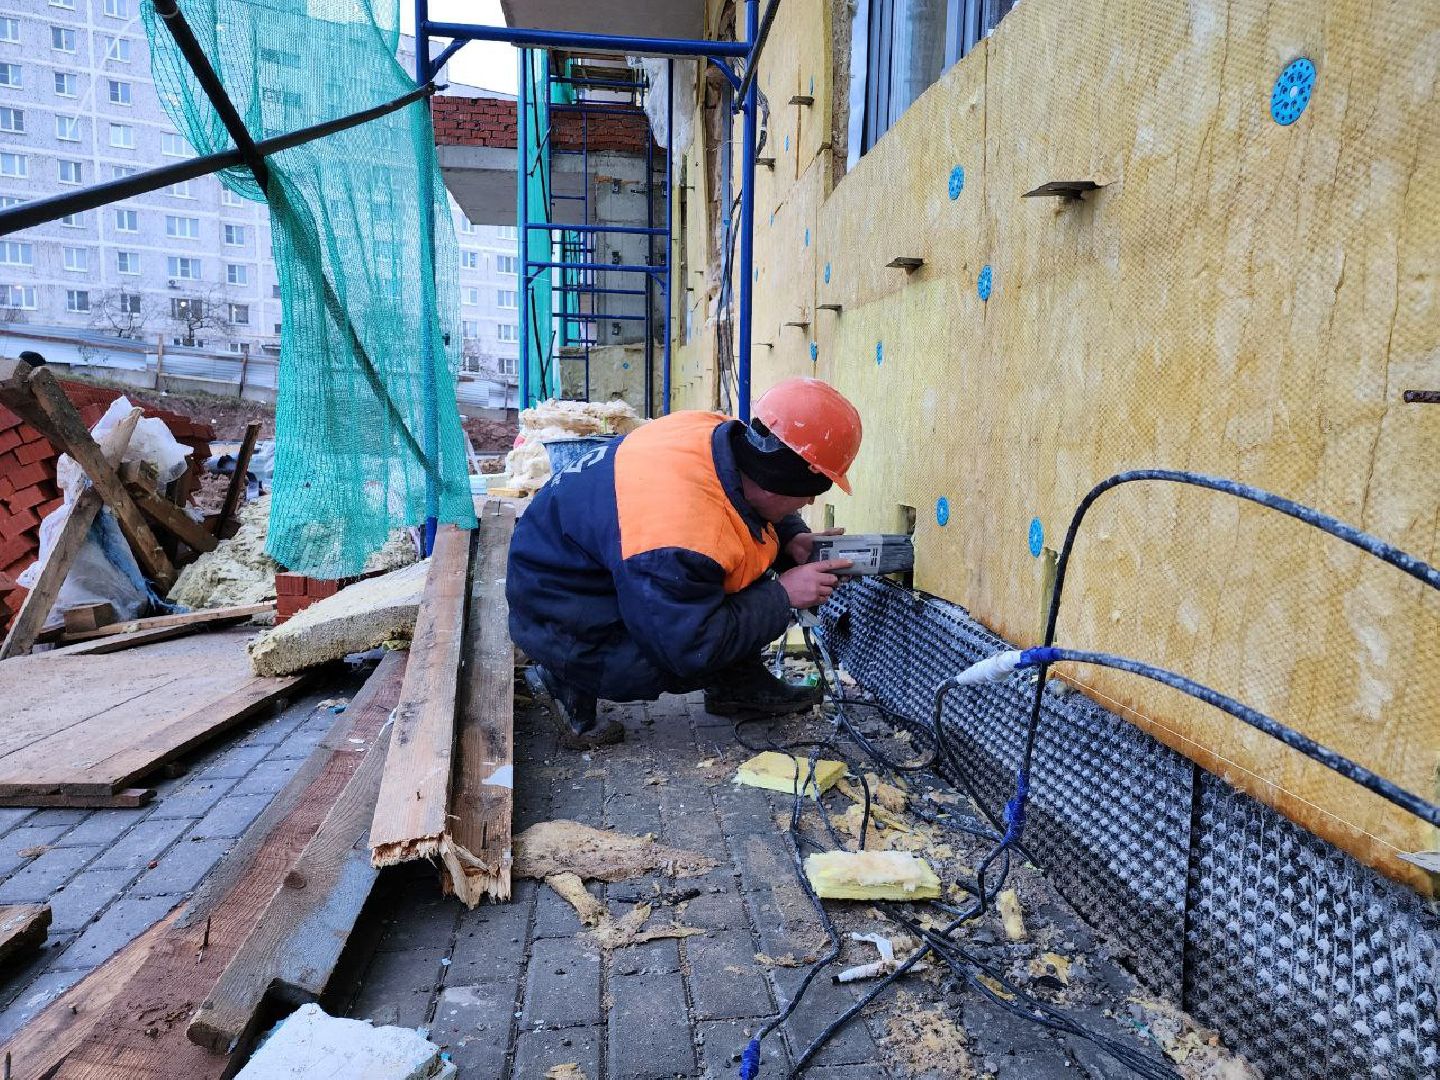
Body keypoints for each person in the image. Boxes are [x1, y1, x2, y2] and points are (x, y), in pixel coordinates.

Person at [507, 377, 862, 748]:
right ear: (780, 486)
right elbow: (688, 647)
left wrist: (792, 540)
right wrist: (784, 596)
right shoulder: (679, 532)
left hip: (579, 565)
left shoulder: (718, 434)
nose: (806, 506)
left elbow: (752, 497)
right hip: (559, 613)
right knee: (697, 634)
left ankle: (735, 686)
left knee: (732, 572)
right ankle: (564, 677)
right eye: (806, 497)